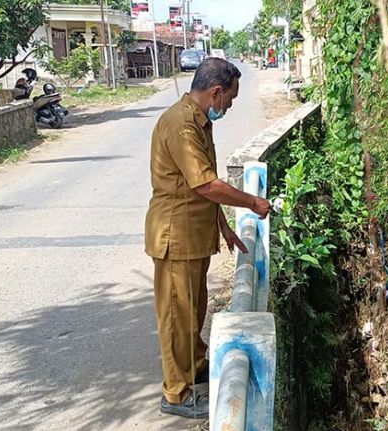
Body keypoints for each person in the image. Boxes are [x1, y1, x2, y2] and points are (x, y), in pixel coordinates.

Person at [145, 58, 270, 419]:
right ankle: (176, 392)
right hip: (175, 235)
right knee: (176, 316)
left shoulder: (199, 121)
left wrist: (225, 228)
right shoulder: (183, 125)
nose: (227, 108)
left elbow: (200, 186)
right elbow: (206, 184)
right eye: (228, 101)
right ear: (215, 92)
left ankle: (195, 364)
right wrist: (252, 202)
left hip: (193, 233)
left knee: (193, 310)